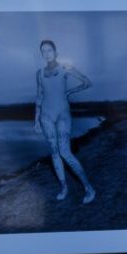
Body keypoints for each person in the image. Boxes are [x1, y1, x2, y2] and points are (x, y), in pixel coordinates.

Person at [34, 38, 97, 205]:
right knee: (54, 152)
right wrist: (36, 119)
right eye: (43, 51)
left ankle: (88, 188)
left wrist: (70, 92)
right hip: (45, 116)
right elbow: (39, 96)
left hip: (62, 114)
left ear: (56, 52)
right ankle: (64, 188)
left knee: (65, 152)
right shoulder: (39, 73)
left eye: (49, 50)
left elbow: (87, 82)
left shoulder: (65, 68)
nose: (46, 54)